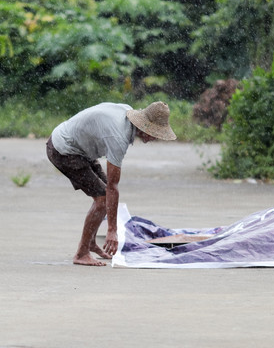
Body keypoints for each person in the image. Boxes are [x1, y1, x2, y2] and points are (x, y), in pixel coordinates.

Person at [46, 101, 177, 266]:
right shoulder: (118, 137)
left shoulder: (127, 112)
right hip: (63, 149)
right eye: (153, 133)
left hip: (81, 148)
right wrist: (111, 231)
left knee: (106, 197)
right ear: (143, 126)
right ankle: (81, 253)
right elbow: (112, 187)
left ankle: (91, 243)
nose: (153, 138)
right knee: (102, 199)